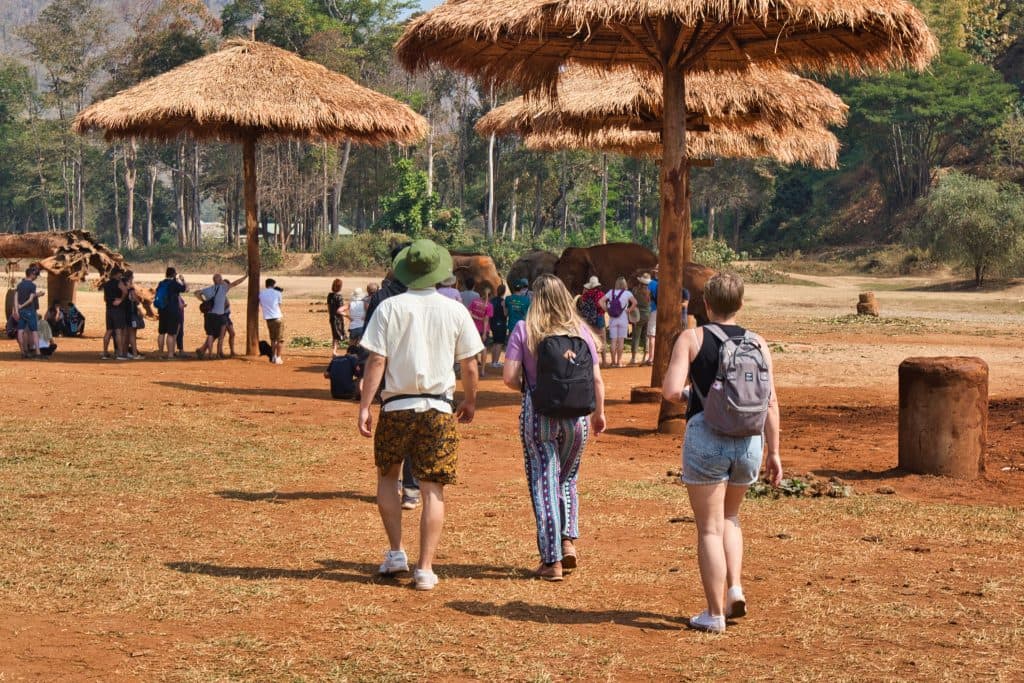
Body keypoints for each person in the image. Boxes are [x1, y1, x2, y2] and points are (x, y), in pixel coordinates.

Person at [358, 239, 483, 591]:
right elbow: (470, 364)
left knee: (387, 478)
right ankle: (425, 568)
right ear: (439, 272)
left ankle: (396, 552)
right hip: (439, 409)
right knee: (432, 489)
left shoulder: (388, 307)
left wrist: (365, 406)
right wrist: (470, 400)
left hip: (396, 407)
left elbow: (377, 361)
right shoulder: (455, 310)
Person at [662, 272, 782, 634]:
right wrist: (774, 452)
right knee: (731, 518)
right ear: (741, 305)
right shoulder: (759, 343)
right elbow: (771, 402)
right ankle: (735, 589)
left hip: (706, 436)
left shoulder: (692, 338)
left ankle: (714, 614)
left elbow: (669, 391)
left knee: (709, 529)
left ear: (706, 304)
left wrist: (692, 396)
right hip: (750, 440)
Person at [503, 274, 606, 581]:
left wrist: (533, 387)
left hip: (540, 416)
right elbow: (597, 380)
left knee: (544, 481)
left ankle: (551, 561)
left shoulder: (525, 330)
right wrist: (599, 414)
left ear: (536, 298)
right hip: (578, 419)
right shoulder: (582, 332)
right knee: (567, 479)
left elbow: (509, 378)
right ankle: (568, 541)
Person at [196, 272, 247, 360]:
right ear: (220, 281)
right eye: (221, 280)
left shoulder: (210, 289)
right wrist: (245, 276)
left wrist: (203, 301)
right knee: (220, 335)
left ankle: (208, 352)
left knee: (211, 334)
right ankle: (218, 353)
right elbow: (236, 283)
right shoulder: (223, 289)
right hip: (221, 316)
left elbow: (197, 293)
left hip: (210, 316)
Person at [600, 276, 637, 368]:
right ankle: (619, 362)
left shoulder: (610, 292)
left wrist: (607, 310)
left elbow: (600, 301)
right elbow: (635, 302)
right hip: (623, 318)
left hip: (613, 319)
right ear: (625, 284)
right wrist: (628, 310)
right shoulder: (627, 293)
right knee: (621, 341)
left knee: (613, 341)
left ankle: (613, 362)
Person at [155, 267, 188, 359]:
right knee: (171, 333)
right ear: (173, 274)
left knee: (161, 333)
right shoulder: (174, 283)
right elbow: (185, 289)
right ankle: (170, 354)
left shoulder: (161, 283)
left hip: (162, 310)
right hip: (172, 310)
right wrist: (182, 280)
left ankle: (160, 354)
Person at [13, 265, 45, 358]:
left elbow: (15, 298)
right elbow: (30, 300)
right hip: (29, 310)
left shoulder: (19, 285)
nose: (36, 277)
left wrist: (17, 310)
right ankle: (38, 353)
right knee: (34, 331)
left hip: (21, 312)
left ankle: (23, 352)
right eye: (36, 275)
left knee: (20, 331)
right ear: (32, 275)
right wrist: (22, 306)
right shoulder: (32, 285)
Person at [576, 276, 607, 366]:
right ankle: (604, 361)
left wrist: (584, 292)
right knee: (603, 339)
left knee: (592, 340)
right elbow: (603, 306)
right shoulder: (601, 294)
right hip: (600, 317)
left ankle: (594, 361)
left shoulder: (585, 295)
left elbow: (582, 306)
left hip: (589, 319)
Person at [101, 268, 128, 359]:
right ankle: (120, 354)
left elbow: (105, 298)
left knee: (109, 331)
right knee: (118, 332)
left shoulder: (106, 284)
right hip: (118, 310)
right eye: (120, 274)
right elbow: (125, 291)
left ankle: (105, 353)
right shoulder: (119, 282)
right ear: (117, 274)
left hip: (108, 310)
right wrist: (121, 299)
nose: (121, 276)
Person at [468, 284, 493, 377]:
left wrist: (477, 317)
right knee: (484, 348)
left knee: (474, 349)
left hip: (473, 328)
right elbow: (486, 319)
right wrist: (485, 333)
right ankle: (482, 370)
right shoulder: (489, 306)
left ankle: (475, 369)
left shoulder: (474, 302)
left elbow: (469, 313)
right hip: (483, 329)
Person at [259, 278, 285, 365]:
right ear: (273, 285)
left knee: (273, 339)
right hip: (277, 317)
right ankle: (278, 357)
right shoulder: (278, 293)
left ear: (266, 285)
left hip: (268, 319)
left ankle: (273, 357)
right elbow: (279, 304)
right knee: (280, 339)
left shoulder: (261, 293)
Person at [630, 273, 653, 365]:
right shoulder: (650, 291)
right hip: (648, 314)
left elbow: (631, 301)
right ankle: (645, 356)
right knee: (647, 336)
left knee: (636, 336)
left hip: (637, 314)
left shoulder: (635, 290)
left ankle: (633, 358)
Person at [488, 283, 508, 368]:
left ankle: (493, 361)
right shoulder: (503, 301)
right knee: (499, 343)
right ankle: (495, 362)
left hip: (493, 323)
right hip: (500, 324)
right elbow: (505, 314)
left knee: (495, 342)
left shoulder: (492, 300)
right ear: (504, 292)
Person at [645, 267, 659, 365]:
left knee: (651, 335)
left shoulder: (651, 283)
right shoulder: (667, 282)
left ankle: (651, 357)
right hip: (665, 311)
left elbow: (647, 297)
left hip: (654, 310)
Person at [328, 278, 346, 355]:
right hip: (338, 318)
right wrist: (347, 316)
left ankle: (335, 350)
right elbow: (341, 310)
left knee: (335, 334)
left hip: (332, 317)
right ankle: (334, 351)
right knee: (337, 335)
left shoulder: (329, 296)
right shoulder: (339, 297)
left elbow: (329, 307)